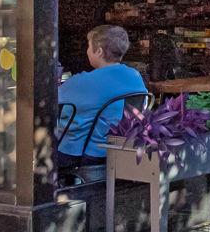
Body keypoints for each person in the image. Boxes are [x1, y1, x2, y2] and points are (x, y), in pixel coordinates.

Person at [58, 24, 147, 159]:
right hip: (122, 149)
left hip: (83, 153)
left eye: (88, 46)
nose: (87, 51)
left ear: (98, 51)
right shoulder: (135, 76)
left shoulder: (82, 82)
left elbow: (50, 101)